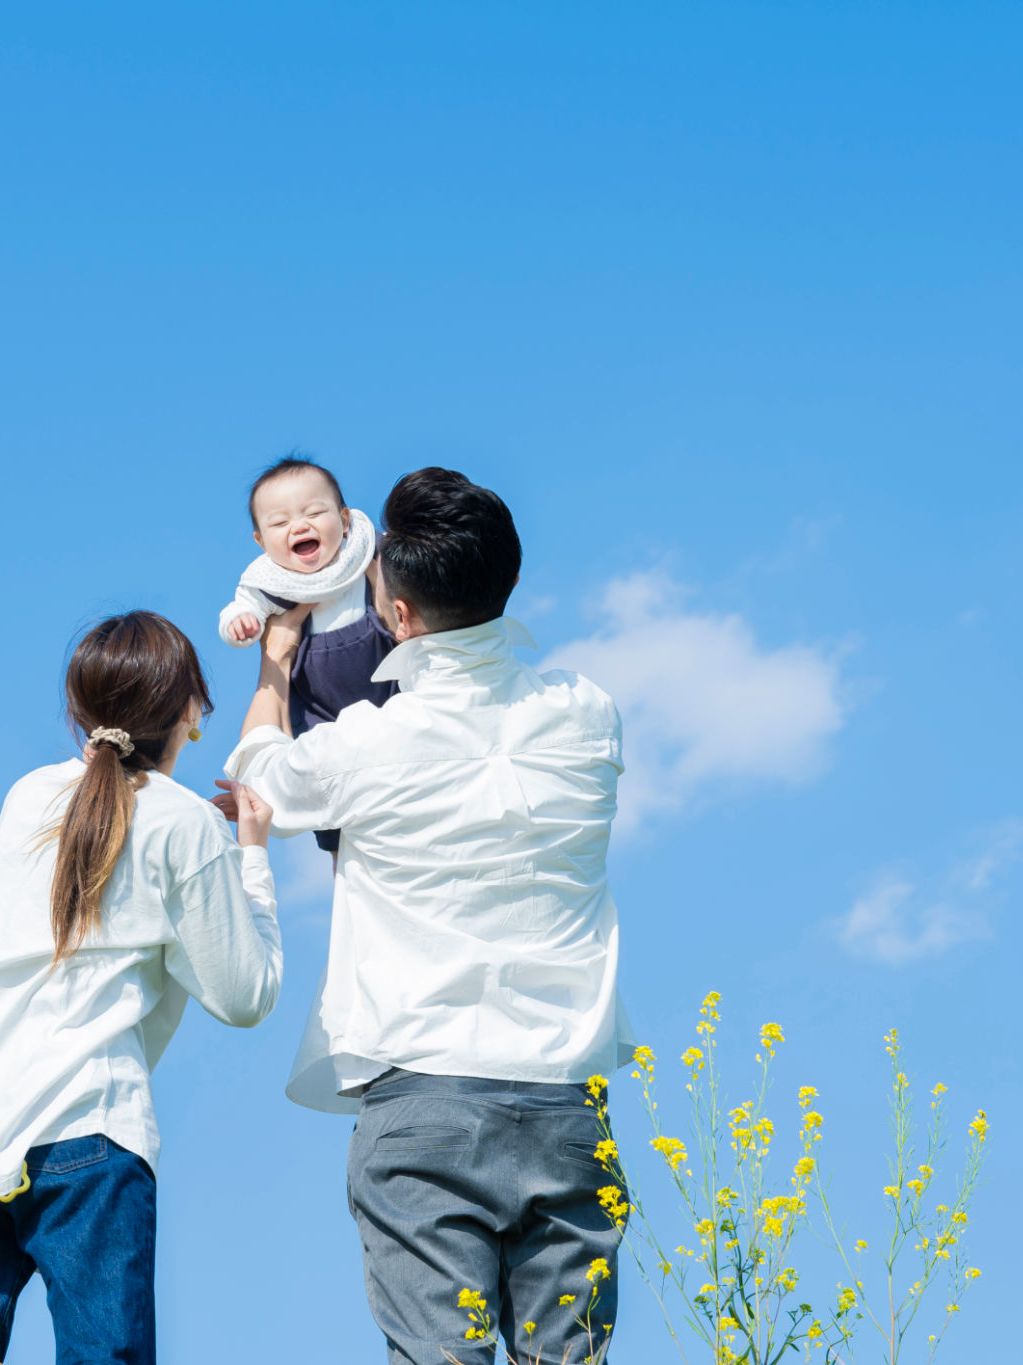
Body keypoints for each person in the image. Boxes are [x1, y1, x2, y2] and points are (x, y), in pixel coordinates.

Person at [223, 468, 635, 1365]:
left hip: (423, 1090)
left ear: (397, 619)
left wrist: (278, 664)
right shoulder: (588, 712)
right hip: (566, 1097)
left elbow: (259, 772)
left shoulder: (373, 741)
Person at [0, 611, 283, 1365]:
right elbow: (246, 994)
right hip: (85, 1125)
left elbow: (110, 851)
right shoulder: (184, 826)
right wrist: (249, 858)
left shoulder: (29, 797)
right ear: (192, 712)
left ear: (78, 711)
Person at [216, 455, 398, 852]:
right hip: (317, 708)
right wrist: (241, 624)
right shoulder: (271, 582)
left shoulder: (366, 554)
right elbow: (239, 608)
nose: (299, 525)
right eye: (279, 523)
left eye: (315, 512)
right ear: (261, 543)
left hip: (386, 684)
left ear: (346, 520)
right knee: (333, 815)